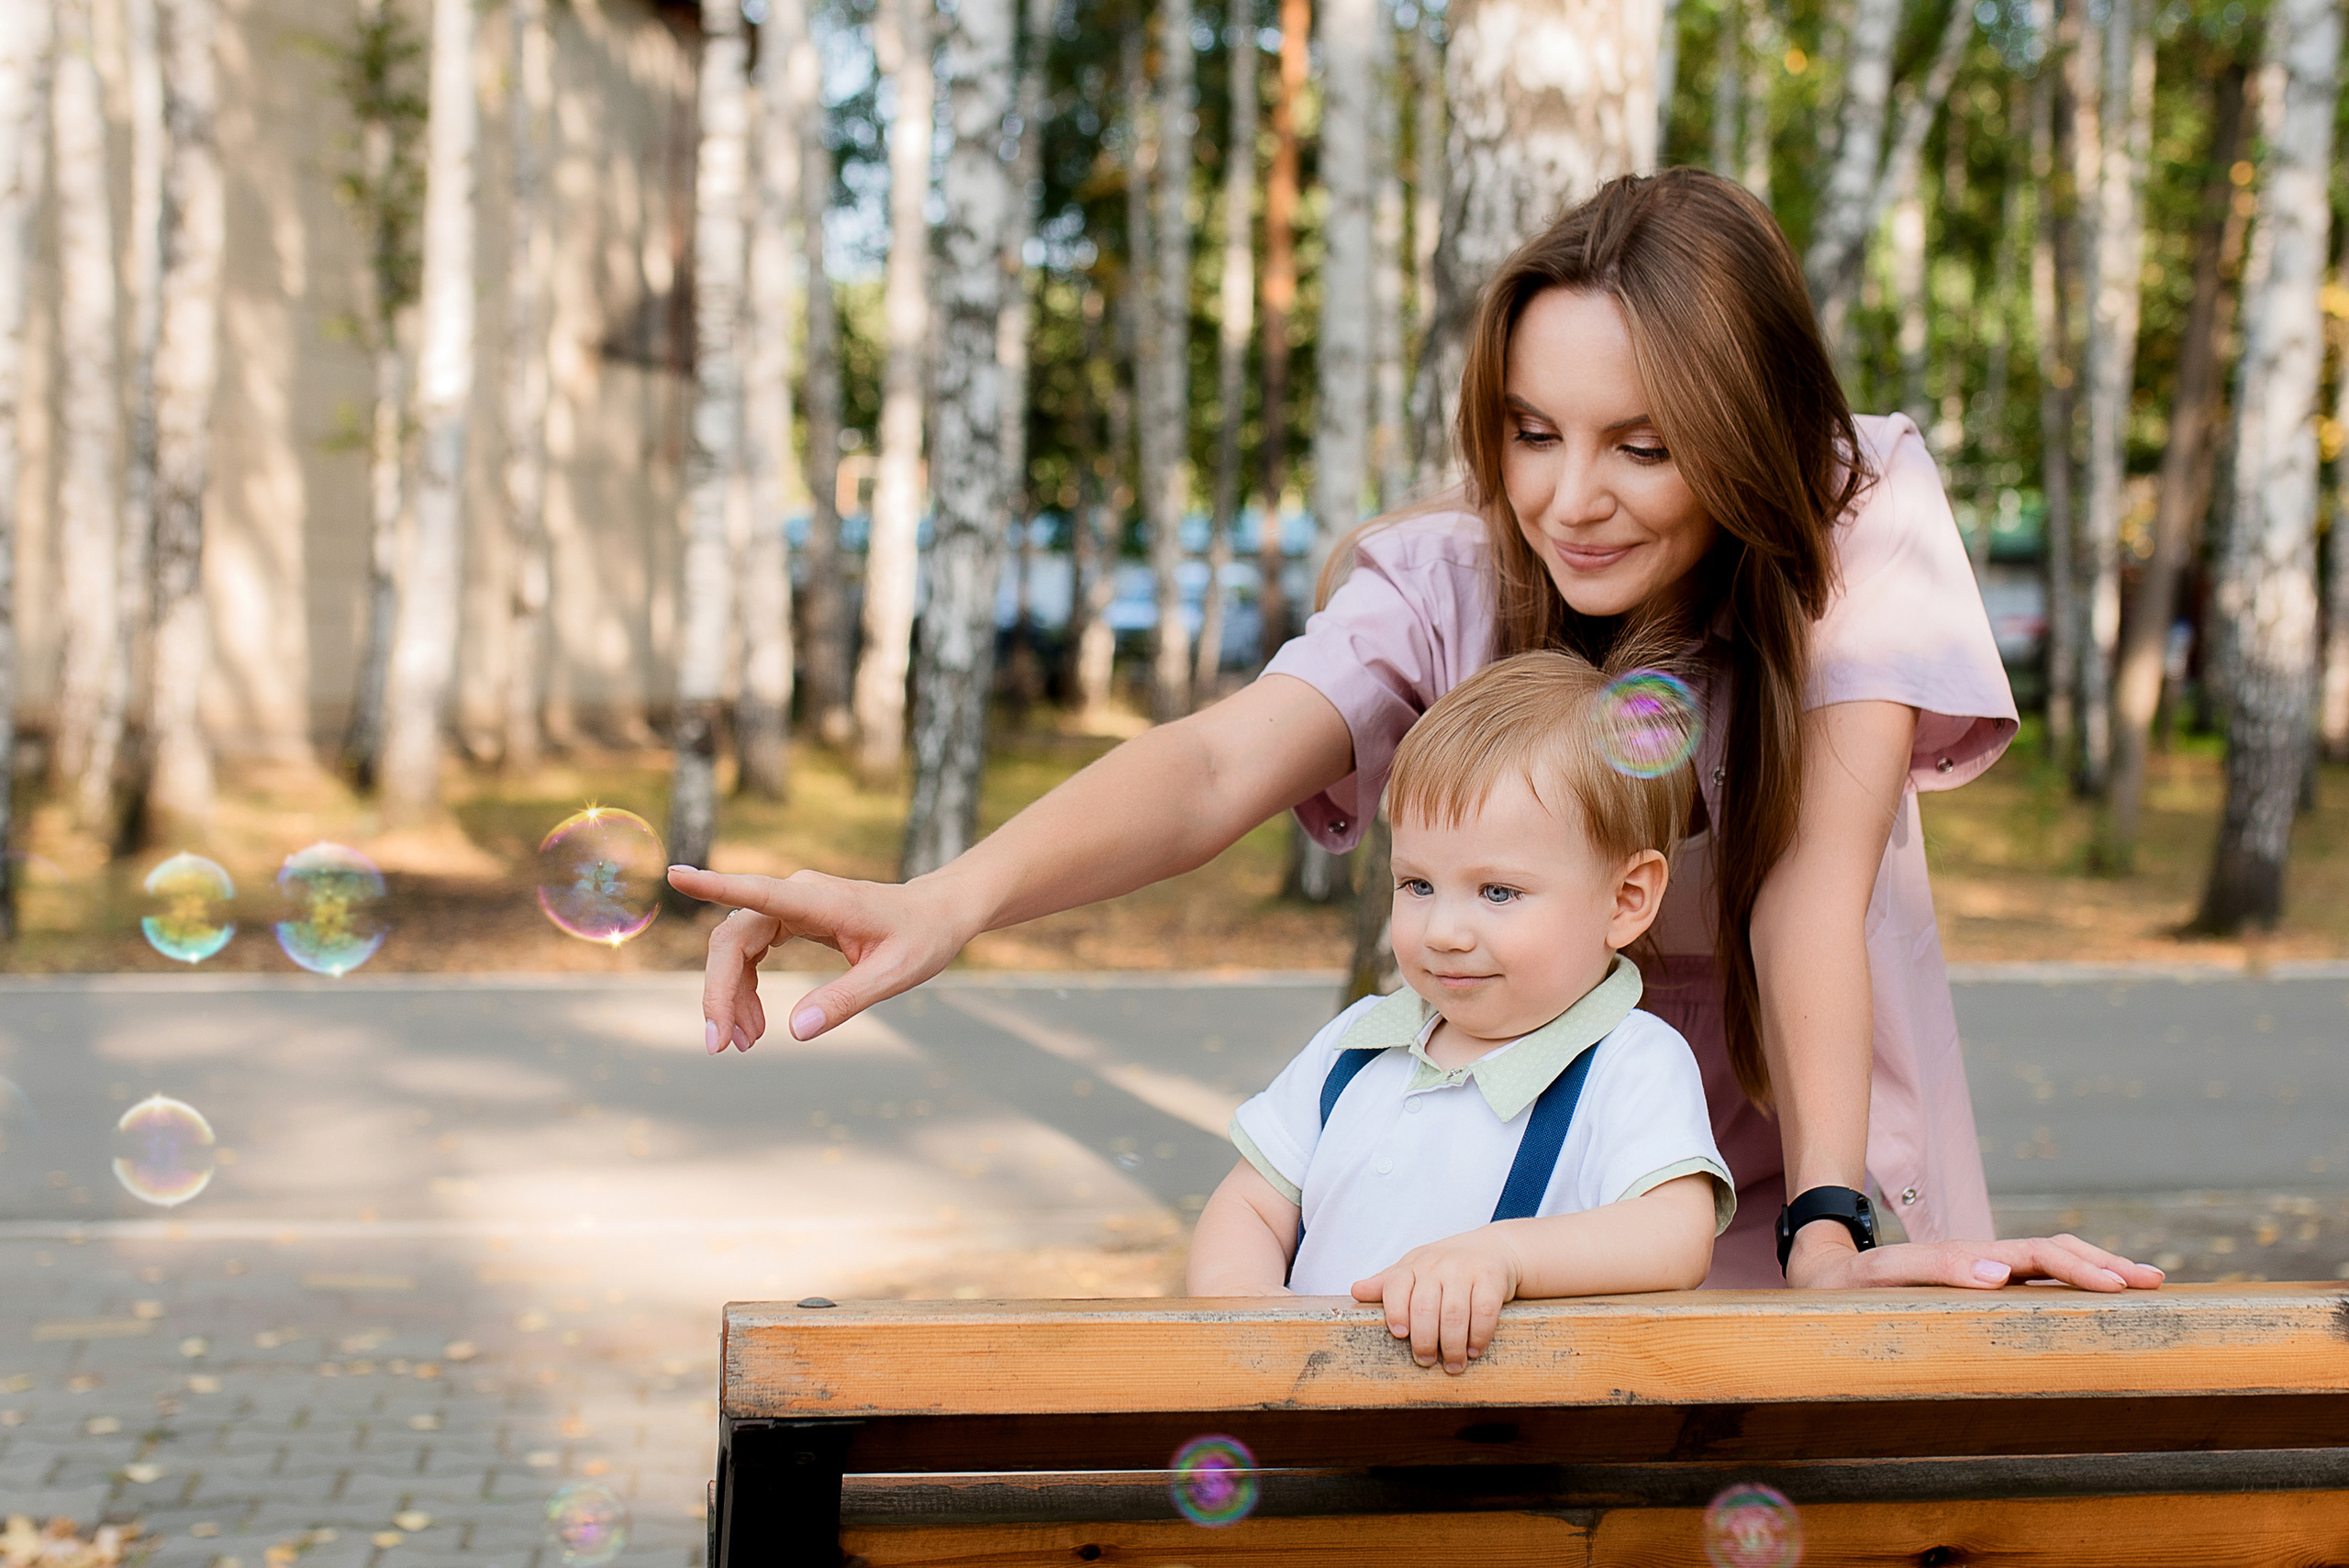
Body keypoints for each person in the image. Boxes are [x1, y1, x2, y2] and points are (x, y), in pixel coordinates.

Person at [668, 167, 2163, 1295]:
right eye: (1532, 429)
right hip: (1509, 1198)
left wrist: (1830, 1223)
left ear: (1744, 430)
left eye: (1642, 445)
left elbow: (1807, 895)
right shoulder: (1451, 583)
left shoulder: (1851, 528)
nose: (1569, 496)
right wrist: (949, 894)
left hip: (1801, 1142)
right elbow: (1212, 763)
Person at [1187, 651, 1733, 1376]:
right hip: (1313, 1419)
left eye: (1498, 892)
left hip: (1508, 1441)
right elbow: (1252, 1203)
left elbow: (1676, 1231)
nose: (1443, 929)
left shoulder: (1629, 1060)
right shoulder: (1359, 1043)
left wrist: (1503, 1254)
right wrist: (1245, 1303)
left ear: (1626, 898)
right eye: (1417, 883)